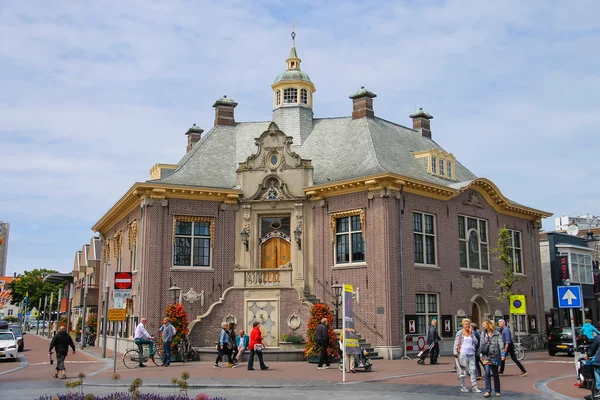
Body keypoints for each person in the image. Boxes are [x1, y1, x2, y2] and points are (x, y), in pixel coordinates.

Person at [453, 318, 481, 393]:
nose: (467, 326)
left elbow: (476, 342)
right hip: (463, 354)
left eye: (468, 324)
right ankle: (463, 386)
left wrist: (472, 334)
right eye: (466, 324)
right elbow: (456, 342)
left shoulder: (471, 332)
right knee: (463, 372)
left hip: (471, 353)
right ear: (463, 325)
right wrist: (455, 352)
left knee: (472, 370)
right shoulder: (460, 333)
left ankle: (474, 386)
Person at [480, 320, 505, 398]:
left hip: (495, 356)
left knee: (495, 374)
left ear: (489, 325)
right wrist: (481, 354)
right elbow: (481, 345)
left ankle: (497, 391)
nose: (483, 326)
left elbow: (501, 345)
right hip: (486, 356)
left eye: (484, 324)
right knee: (487, 373)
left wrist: (503, 354)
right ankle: (488, 391)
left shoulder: (497, 334)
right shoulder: (483, 334)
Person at [585, 332, 600, 398]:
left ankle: (599, 390)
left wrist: (588, 355)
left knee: (597, 373)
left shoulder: (598, 338)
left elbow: (592, 351)